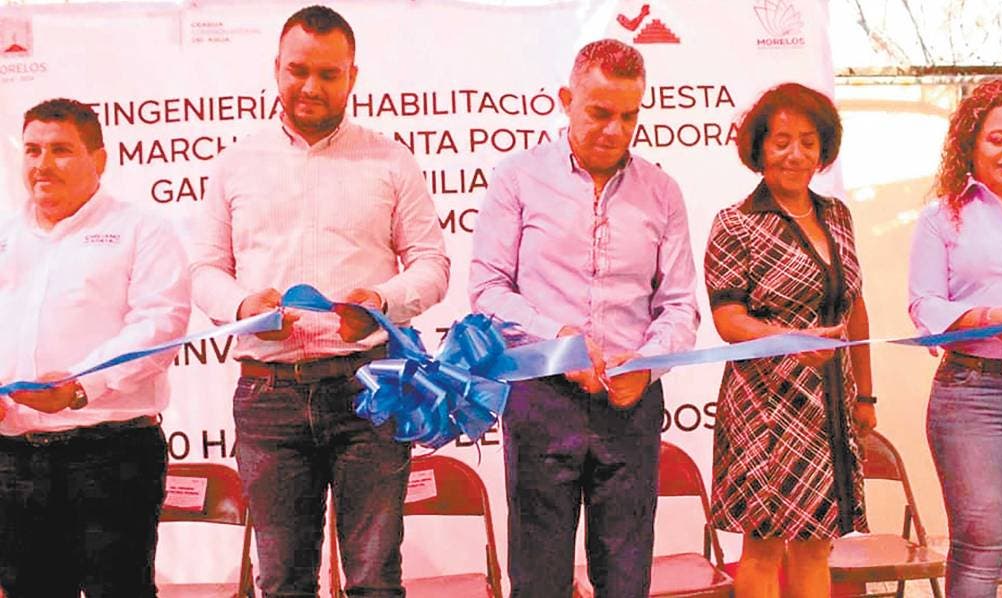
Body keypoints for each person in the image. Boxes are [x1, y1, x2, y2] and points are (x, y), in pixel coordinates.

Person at [189, 5, 449, 596]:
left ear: (353, 76)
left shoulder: (391, 160)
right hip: (268, 396)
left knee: (375, 581)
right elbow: (204, 270)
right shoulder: (235, 164)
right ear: (275, 68)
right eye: (298, 70)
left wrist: (381, 301)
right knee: (283, 582)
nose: (311, 86)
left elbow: (432, 265)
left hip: (370, 389)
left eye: (329, 74)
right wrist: (242, 307)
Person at [469, 39, 700, 597]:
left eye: (629, 115)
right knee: (538, 581)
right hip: (541, 398)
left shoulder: (662, 192)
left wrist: (648, 363)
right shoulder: (518, 177)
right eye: (600, 112)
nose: (615, 130)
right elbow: (487, 290)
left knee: (626, 582)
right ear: (566, 100)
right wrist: (559, 341)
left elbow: (680, 304)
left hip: (631, 405)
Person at [0, 98, 191, 597]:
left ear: (99, 160)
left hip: (109, 455)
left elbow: (160, 325)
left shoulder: (142, 229)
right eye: (33, 150)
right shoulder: (5, 235)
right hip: (12, 457)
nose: (42, 164)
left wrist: (79, 387)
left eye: (61, 150)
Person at [704, 82, 875, 598]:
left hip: (829, 404)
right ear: (758, 148)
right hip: (765, 406)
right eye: (781, 141)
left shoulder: (837, 215)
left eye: (807, 141)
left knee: (816, 546)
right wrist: (789, 340)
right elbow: (728, 319)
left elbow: (854, 308)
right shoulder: (735, 223)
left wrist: (866, 396)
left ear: (823, 149)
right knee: (763, 548)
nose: (795, 154)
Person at [908, 78, 1002, 597]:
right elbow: (925, 305)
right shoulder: (940, 217)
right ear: (970, 144)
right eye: (997, 139)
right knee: (980, 547)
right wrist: (990, 318)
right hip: (971, 395)